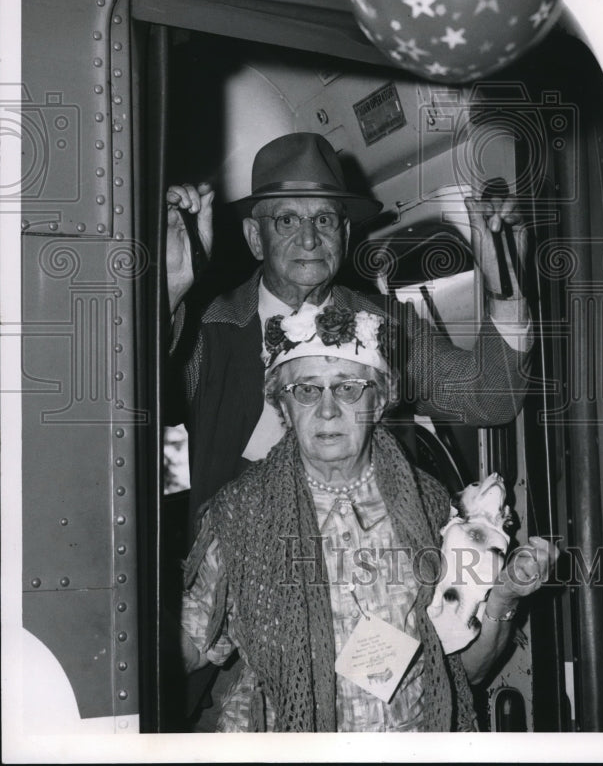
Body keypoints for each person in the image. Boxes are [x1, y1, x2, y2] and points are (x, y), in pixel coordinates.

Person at [180, 304, 556, 732]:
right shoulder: (241, 517)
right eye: (306, 390)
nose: (326, 410)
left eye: (348, 388)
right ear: (284, 406)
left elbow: (465, 672)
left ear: (378, 402)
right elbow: (190, 648)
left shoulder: (430, 508)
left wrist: (504, 597)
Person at [167, 132, 533, 527]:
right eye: (287, 220)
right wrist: (169, 290)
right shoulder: (209, 330)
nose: (309, 238)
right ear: (256, 238)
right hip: (236, 560)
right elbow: (143, 404)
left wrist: (505, 286)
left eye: (324, 219)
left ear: (343, 235)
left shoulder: (389, 325)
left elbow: (490, 398)